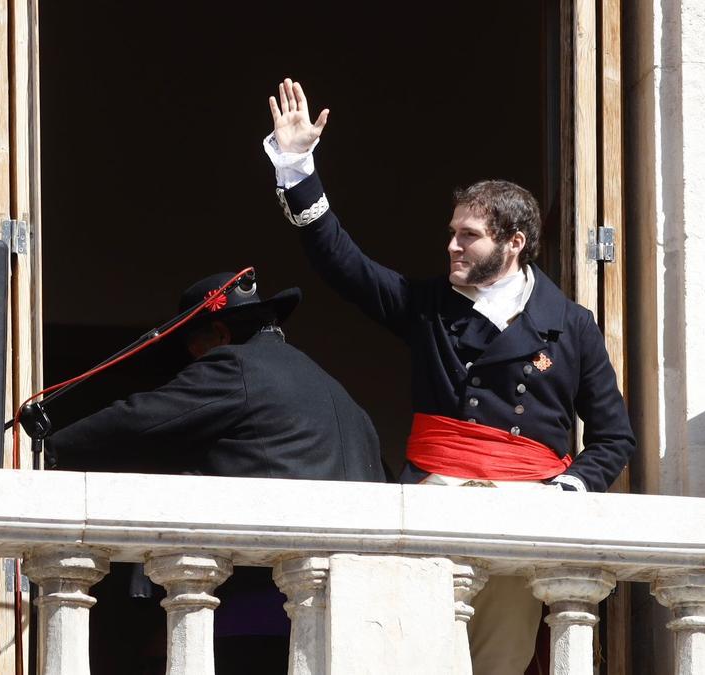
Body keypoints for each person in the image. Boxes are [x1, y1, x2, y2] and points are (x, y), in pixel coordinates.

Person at [263, 78, 637, 675]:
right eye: (452, 232)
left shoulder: (571, 326)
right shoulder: (426, 304)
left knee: (499, 662)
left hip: (523, 512)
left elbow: (615, 438)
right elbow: (341, 261)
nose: (452, 246)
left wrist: (566, 491)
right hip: (432, 502)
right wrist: (297, 163)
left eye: (469, 236)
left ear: (513, 243)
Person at [50, 271, 386, 674]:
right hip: (352, 617)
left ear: (220, 334)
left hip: (259, 618)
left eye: (194, 351)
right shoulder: (339, 394)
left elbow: (140, 421)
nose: (195, 363)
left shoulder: (236, 365)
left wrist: (47, 447)